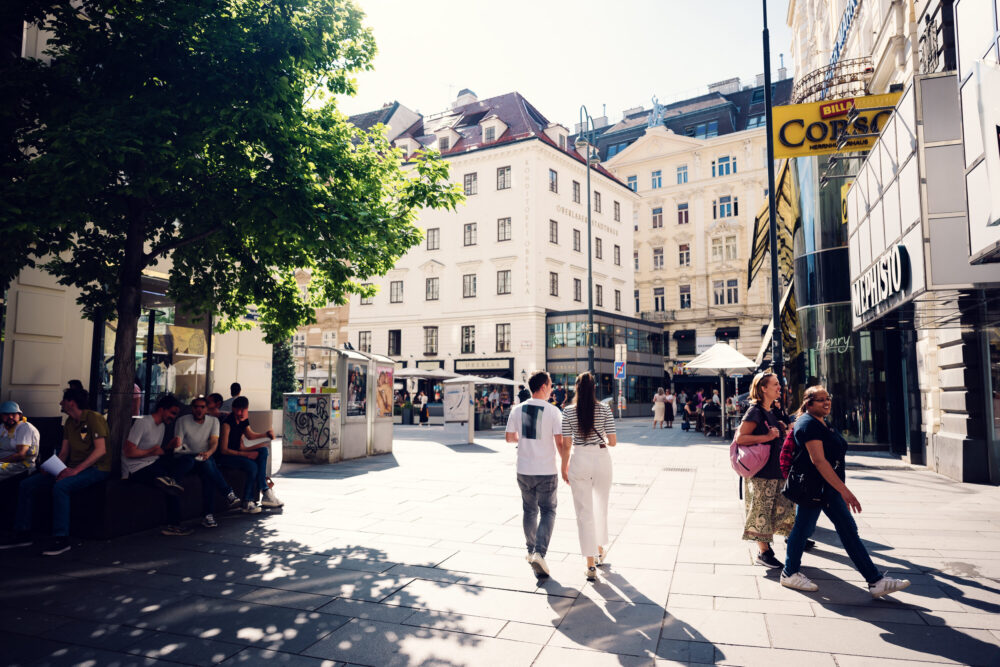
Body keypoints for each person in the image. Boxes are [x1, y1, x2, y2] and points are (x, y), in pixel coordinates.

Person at [780, 386, 912, 598]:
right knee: (803, 530)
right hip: (814, 489)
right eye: (820, 399)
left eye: (828, 398)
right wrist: (845, 491)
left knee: (846, 531)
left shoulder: (823, 422)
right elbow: (819, 461)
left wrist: (838, 489)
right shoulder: (807, 424)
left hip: (827, 489)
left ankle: (875, 581)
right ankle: (789, 572)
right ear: (808, 403)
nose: (826, 402)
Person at [0, 388, 110, 555]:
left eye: (63, 400)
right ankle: (22, 533)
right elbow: (64, 452)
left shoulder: (94, 418)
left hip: (97, 468)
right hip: (72, 466)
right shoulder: (69, 423)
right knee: (27, 484)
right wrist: (50, 468)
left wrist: (75, 471)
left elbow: (100, 450)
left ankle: (61, 538)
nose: (60, 403)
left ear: (71, 402)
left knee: (61, 487)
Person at [505, 370, 564, 578]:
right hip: (546, 470)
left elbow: (509, 437)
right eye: (550, 385)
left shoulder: (517, 409)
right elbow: (559, 441)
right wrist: (565, 462)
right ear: (543, 387)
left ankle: (531, 551)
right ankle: (540, 552)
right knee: (548, 510)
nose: (552, 389)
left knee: (529, 511)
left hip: (524, 469)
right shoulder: (553, 411)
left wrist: (523, 439)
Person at [560, 372, 617, 582]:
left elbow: (566, 444)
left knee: (584, 512)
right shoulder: (604, 409)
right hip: (601, 459)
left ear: (576, 388)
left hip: (580, 459)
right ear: (594, 388)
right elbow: (613, 441)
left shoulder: (568, 411)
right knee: (600, 506)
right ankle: (600, 549)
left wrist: (563, 467)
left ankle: (590, 564)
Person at [737, 372, 795, 569]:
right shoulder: (754, 412)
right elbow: (740, 439)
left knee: (778, 512)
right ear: (763, 388)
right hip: (761, 473)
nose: (780, 387)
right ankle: (764, 552)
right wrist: (767, 437)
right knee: (760, 512)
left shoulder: (770, 410)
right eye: (776, 384)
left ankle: (769, 549)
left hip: (775, 471)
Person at [122, 395, 196, 536]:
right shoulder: (143, 423)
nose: (173, 417)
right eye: (172, 413)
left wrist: (169, 447)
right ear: (162, 409)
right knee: (170, 485)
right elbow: (128, 451)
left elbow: (158, 451)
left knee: (188, 460)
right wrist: (151, 451)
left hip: (153, 462)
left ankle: (171, 481)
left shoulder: (161, 426)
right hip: (136, 469)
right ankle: (174, 525)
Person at [171, 396, 241, 528]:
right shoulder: (182, 421)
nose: (199, 410)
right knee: (207, 466)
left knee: (208, 470)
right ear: (192, 408)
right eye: (196, 407)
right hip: (187, 458)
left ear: (206, 409)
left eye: (202, 407)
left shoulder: (214, 421)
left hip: (205, 457)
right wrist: (191, 452)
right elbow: (177, 447)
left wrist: (208, 453)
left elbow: (214, 442)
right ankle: (227, 493)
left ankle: (208, 516)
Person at [218, 396, 281, 513]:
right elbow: (223, 450)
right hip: (227, 457)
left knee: (263, 450)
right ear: (233, 408)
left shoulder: (243, 420)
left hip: (239, 452)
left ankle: (264, 488)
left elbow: (250, 435)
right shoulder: (227, 424)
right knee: (252, 466)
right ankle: (248, 501)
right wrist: (245, 454)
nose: (241, 413)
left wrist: (265, 434)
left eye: (244, 409)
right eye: (239, 410)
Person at [0, 401, 40, 488]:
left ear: (20, 415)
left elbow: (20, 455)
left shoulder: (25, 428)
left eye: (13, 414)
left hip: (22, 465)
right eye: (6, 414)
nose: (10, 417)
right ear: (1, 416)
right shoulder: (2, 427)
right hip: (4, 461)